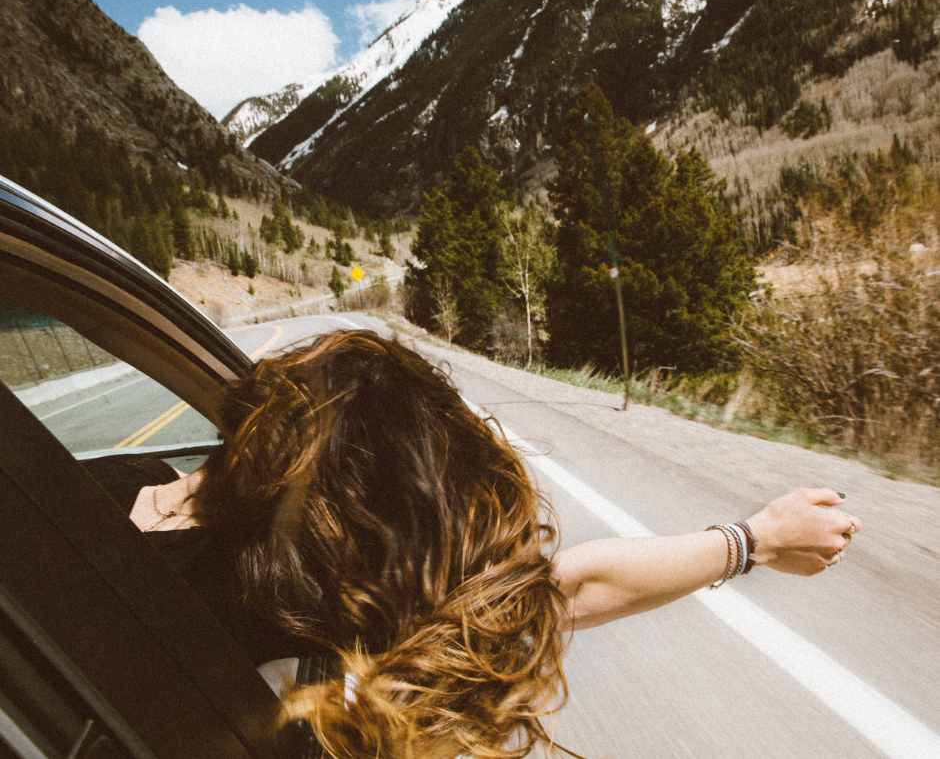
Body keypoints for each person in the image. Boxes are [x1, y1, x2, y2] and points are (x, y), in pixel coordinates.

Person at [84, 330, 860, 759]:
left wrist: (754, 539)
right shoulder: (287, 612)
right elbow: (566, 590)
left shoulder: (98, 489)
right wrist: (753, 540)